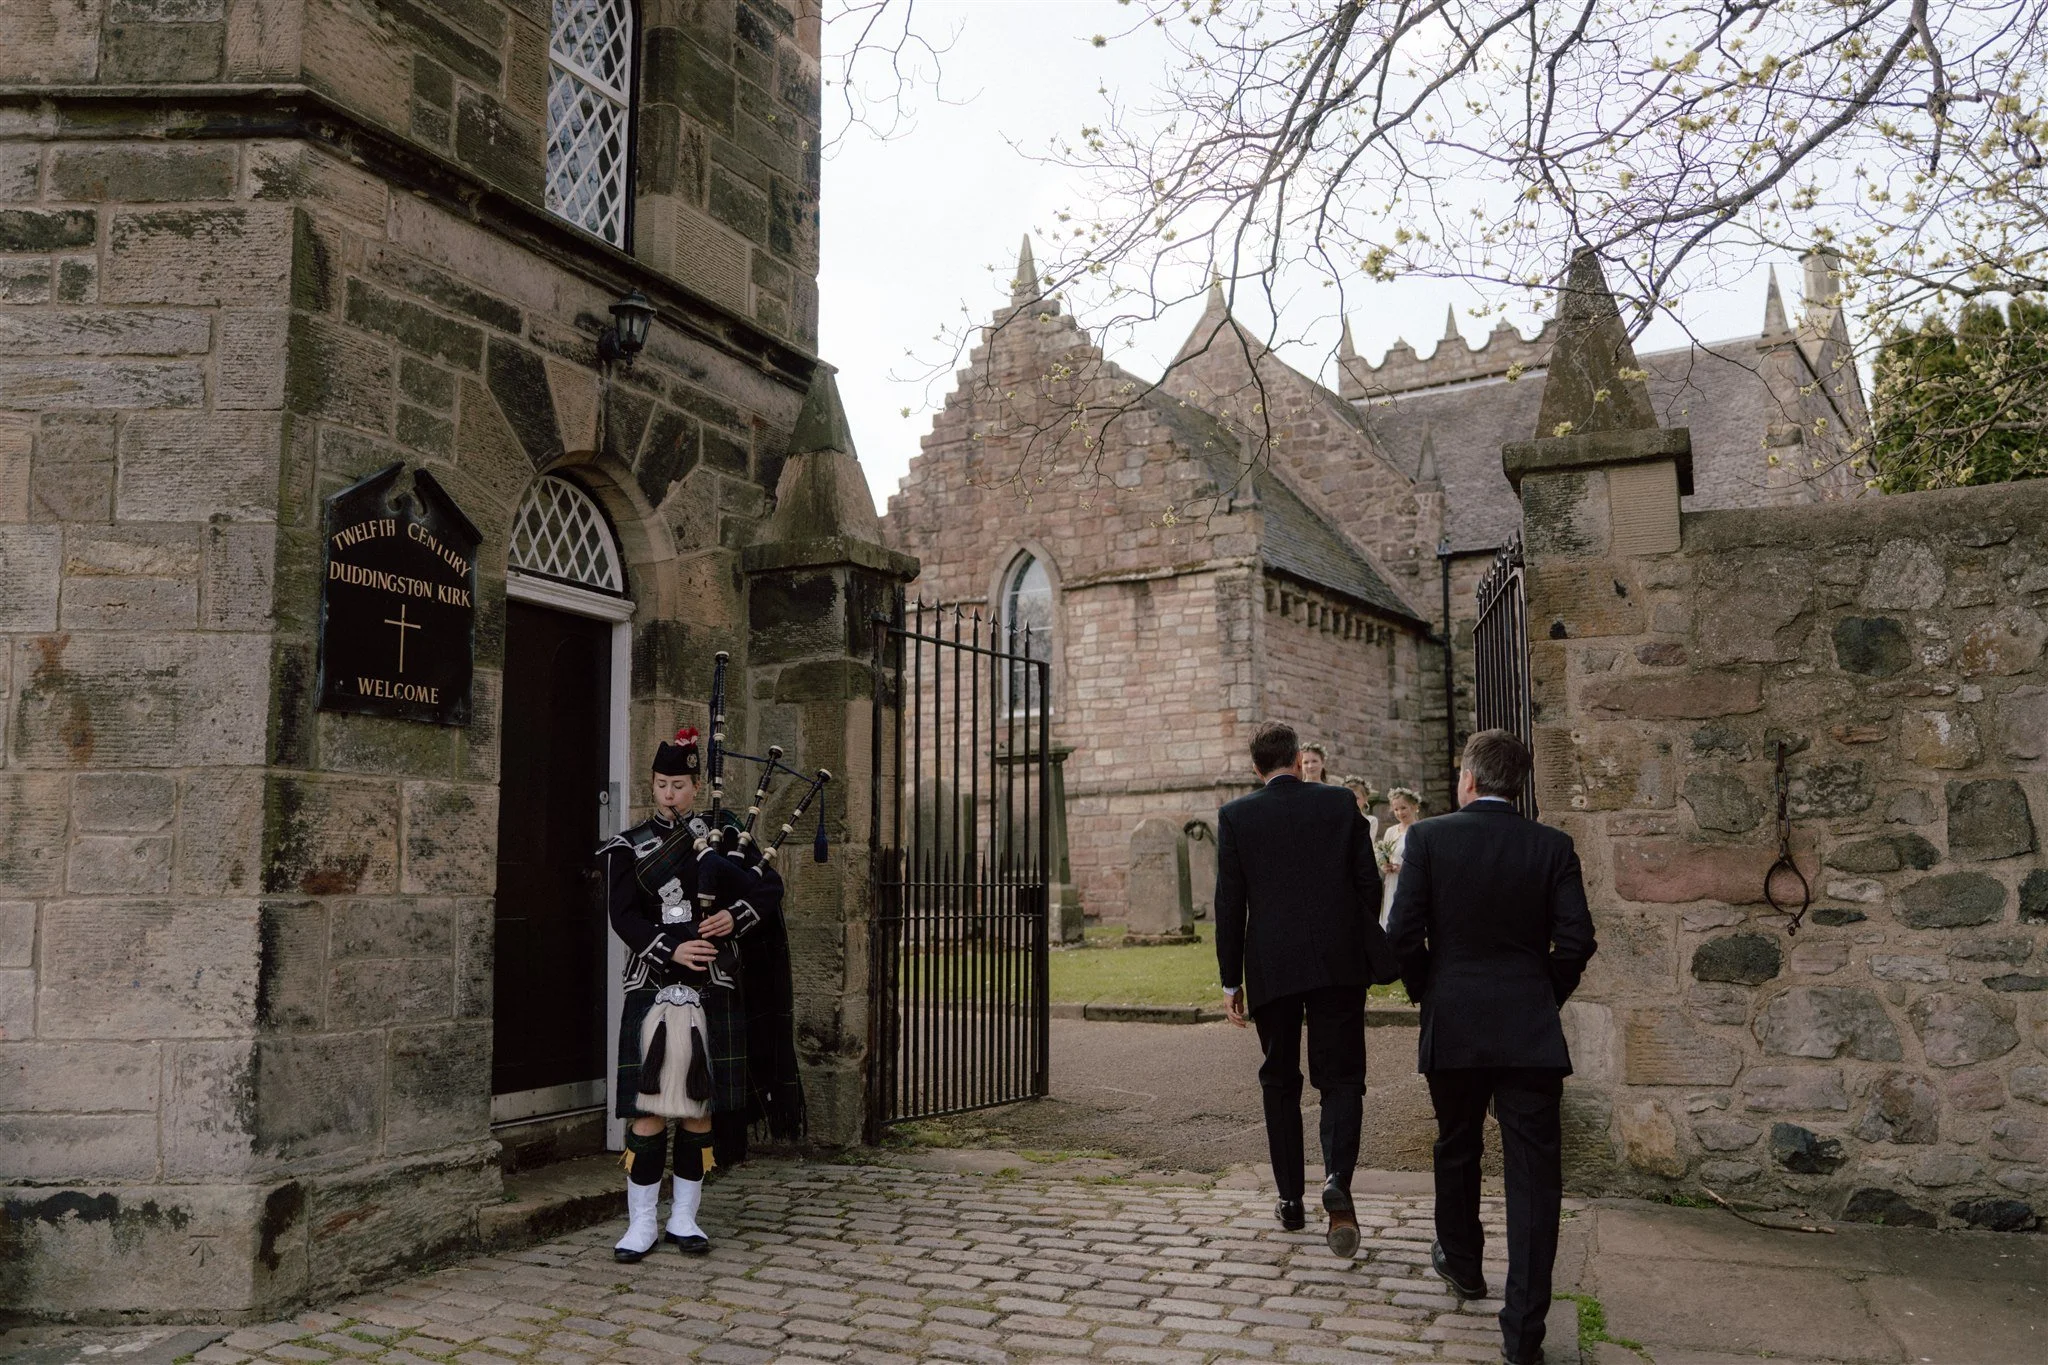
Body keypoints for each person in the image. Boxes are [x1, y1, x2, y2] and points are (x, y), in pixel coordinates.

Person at [1386, 730, 1597, 1365]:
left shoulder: (1428, 838)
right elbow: (1577, 942)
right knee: (1535, 1178)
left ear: (1470, 780)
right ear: (1519, 784)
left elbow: (1402, 937)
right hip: (1529, 1030)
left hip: (1454, 1021)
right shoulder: (1552, 846)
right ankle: (1523, 1334)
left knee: (1457, 1145)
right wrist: (1540, 996)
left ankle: (1464, 1265)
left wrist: (1433, 992)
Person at [598, 726, 801, 1263]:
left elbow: (768, 887)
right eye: (661, 784)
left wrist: (733, 917)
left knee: (696, 1108)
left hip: (712, 986)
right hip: (655, 983)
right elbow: (622, 916)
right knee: (646, 1109)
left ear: (696, 786)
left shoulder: (728, 833)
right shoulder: (629, 846)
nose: (669, 794)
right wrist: (670, 951)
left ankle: (685, 1218)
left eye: (679, 784)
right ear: (653, 784)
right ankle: (641, 1223)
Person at [1215, 722, 1400, 1258]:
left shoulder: (1237, 815)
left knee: (1280, 1078)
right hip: (1338, 962)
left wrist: (1231, 979)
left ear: (1257, 767)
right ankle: (1336, 1180)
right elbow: (1368, 883)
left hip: (1271, 962)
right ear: (1298, 760)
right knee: (1341, 1077)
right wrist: (1350, 931)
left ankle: (1291, 1199)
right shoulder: (1339, 804)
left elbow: (1230, 904)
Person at [1373, 786, 1424, 926]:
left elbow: (1425, 861)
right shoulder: (1390, 831)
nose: (1400, 813)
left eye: (1403, 808)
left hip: (1410, 882)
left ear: (1414, 806)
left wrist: (1405, 868)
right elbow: (1384, 856)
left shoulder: (1421, 830)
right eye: (1396, 809)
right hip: (1392, 882)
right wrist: (1385, 866)